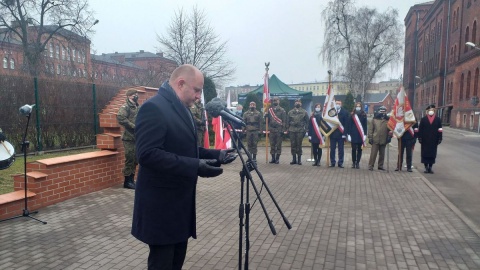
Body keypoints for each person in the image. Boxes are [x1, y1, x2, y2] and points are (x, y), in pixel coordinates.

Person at [131, 64, 236, 270]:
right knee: (162, 265)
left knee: (176, 264)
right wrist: (195, 166)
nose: (199, 96)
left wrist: (216, 155)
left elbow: (185, 148)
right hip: (161, 209)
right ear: (180, 84)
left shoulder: (182, 109)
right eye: (197, 90)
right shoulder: (154, 108)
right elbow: (147, 154)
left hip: (179, 208)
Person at [117, 88, 139, 189]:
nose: (136, 96)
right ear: (129, 96)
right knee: (130, 159)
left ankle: (132, 179)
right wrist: (132, 126)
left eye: (137, 94)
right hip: (129, 138)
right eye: (135, 94)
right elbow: (121, 118)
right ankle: (127, 181)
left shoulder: (136, 106)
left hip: (136, 137)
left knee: (135, 159)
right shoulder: (125, 107)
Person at [417, 105, 442, 174]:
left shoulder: (438, 119)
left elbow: (440, 129)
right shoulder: (423, 119)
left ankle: (430, 167)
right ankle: (426, 167)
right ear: (427, 111)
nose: (431, 111)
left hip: (434, 140)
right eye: (430, 110)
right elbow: (420, 129)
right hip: (425, 140)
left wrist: (440, 138)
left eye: (432, 110)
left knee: (432, 154)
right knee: (425, 154)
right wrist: (419, 138)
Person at [367, 106, 392, 171]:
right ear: (379, 111)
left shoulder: (388, 120)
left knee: (382, 154)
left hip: (384, 139)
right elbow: (370, 129)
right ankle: (371, 165)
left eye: (384, 111)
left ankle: (380, 165)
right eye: (381, 111)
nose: (383, 113)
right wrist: (370, 137)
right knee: (373, 154)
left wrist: (389, 136)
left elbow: (390, 129)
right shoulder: (374, 119)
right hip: (375, 138)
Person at [286, 99, 309, 165]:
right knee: (293, 145)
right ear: (294, 104)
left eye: (299, 102)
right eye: (296, 102)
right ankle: (294, 159)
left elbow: (307, 121)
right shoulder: (290, 112)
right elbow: (287, 121)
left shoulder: (304, 112)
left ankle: (299, 160)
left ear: (301, 104)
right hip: (292, 130)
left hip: (300, 130)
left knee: (299, 145)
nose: (297, 103)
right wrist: (287, 129)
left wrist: (306, 129)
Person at [265, 96, 286, 164]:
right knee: (272, 145)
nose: (275, 102)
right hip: (272, 130)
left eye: (276, 100)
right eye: (274, 100)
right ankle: (273, 158)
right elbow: (267, 121)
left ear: (279, 101)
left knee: (278, 145)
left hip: (279, 130)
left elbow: (284, 121)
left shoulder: (282, 110)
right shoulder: (269, 110)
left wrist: (283, 130)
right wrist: (266, 116)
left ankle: (277, 159)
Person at [347, 102, 367, 169]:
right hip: (353, 134)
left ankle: (357, 162)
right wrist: (349, 134)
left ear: (361, 107)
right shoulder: (352, 115)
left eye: (359, 106)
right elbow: (349, 125)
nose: (358, 107)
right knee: (353, 149)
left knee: (359, 149)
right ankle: (353, 162)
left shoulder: (363, 115)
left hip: (360, 134)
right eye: (357, 106)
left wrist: (365, 134)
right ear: (355, 107)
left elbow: (365, 125)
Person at [329, 100, 349, 168]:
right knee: (332, 149)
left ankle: (340, 162)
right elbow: (329, 122)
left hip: (341, 134)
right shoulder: (331, 111)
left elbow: (346, 124)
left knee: (341, 150)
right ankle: (332, 162)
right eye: (336, 103)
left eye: (339, 103)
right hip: (333, 134)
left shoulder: (345, 112)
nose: (338, 104)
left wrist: (345, 133)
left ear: (341, 104)